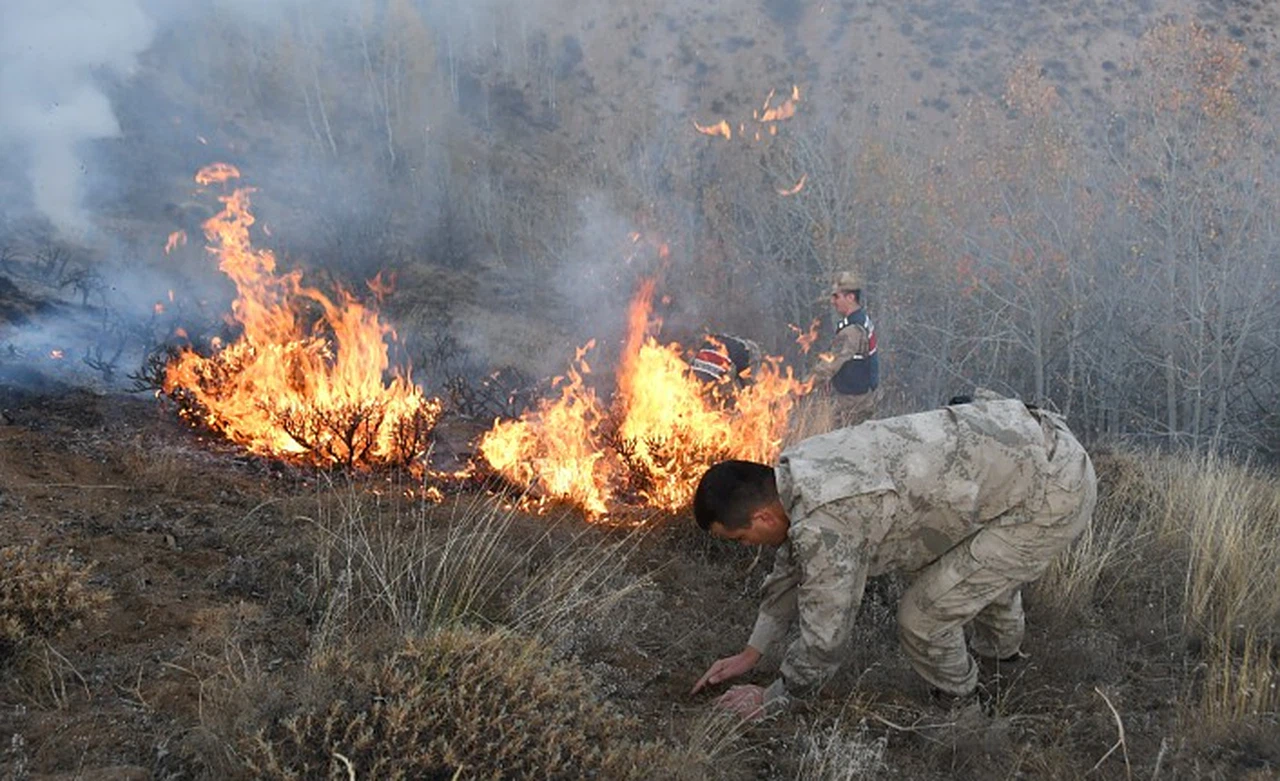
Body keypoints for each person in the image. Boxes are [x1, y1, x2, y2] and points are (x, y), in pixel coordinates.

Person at [689, 394, 1096, 718]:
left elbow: (825, 640)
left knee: (924, 617)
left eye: (741, 538)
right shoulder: (798, 468)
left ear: (761, 516)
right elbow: (792, 564)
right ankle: (1002, 671)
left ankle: (964, 712)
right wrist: (752, 652)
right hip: (1025, 446)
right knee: (968, 574)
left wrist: (774, 697)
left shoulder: (823, 522)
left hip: (1053, 492)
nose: (746, 547)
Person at [810, 271, 879, 427]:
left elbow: (832, 363)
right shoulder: (861, 320)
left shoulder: (852, 330)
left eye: (837, 297)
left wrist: (804, 385)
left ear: (850, 297)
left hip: (852, 405)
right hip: (861, 399)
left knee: (838, 445)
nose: (833, 301)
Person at [689, 333, 761, 390]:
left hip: (698, 369)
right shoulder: (745, 355)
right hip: (716, 374)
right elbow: (744, 386)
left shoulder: (716, 341)